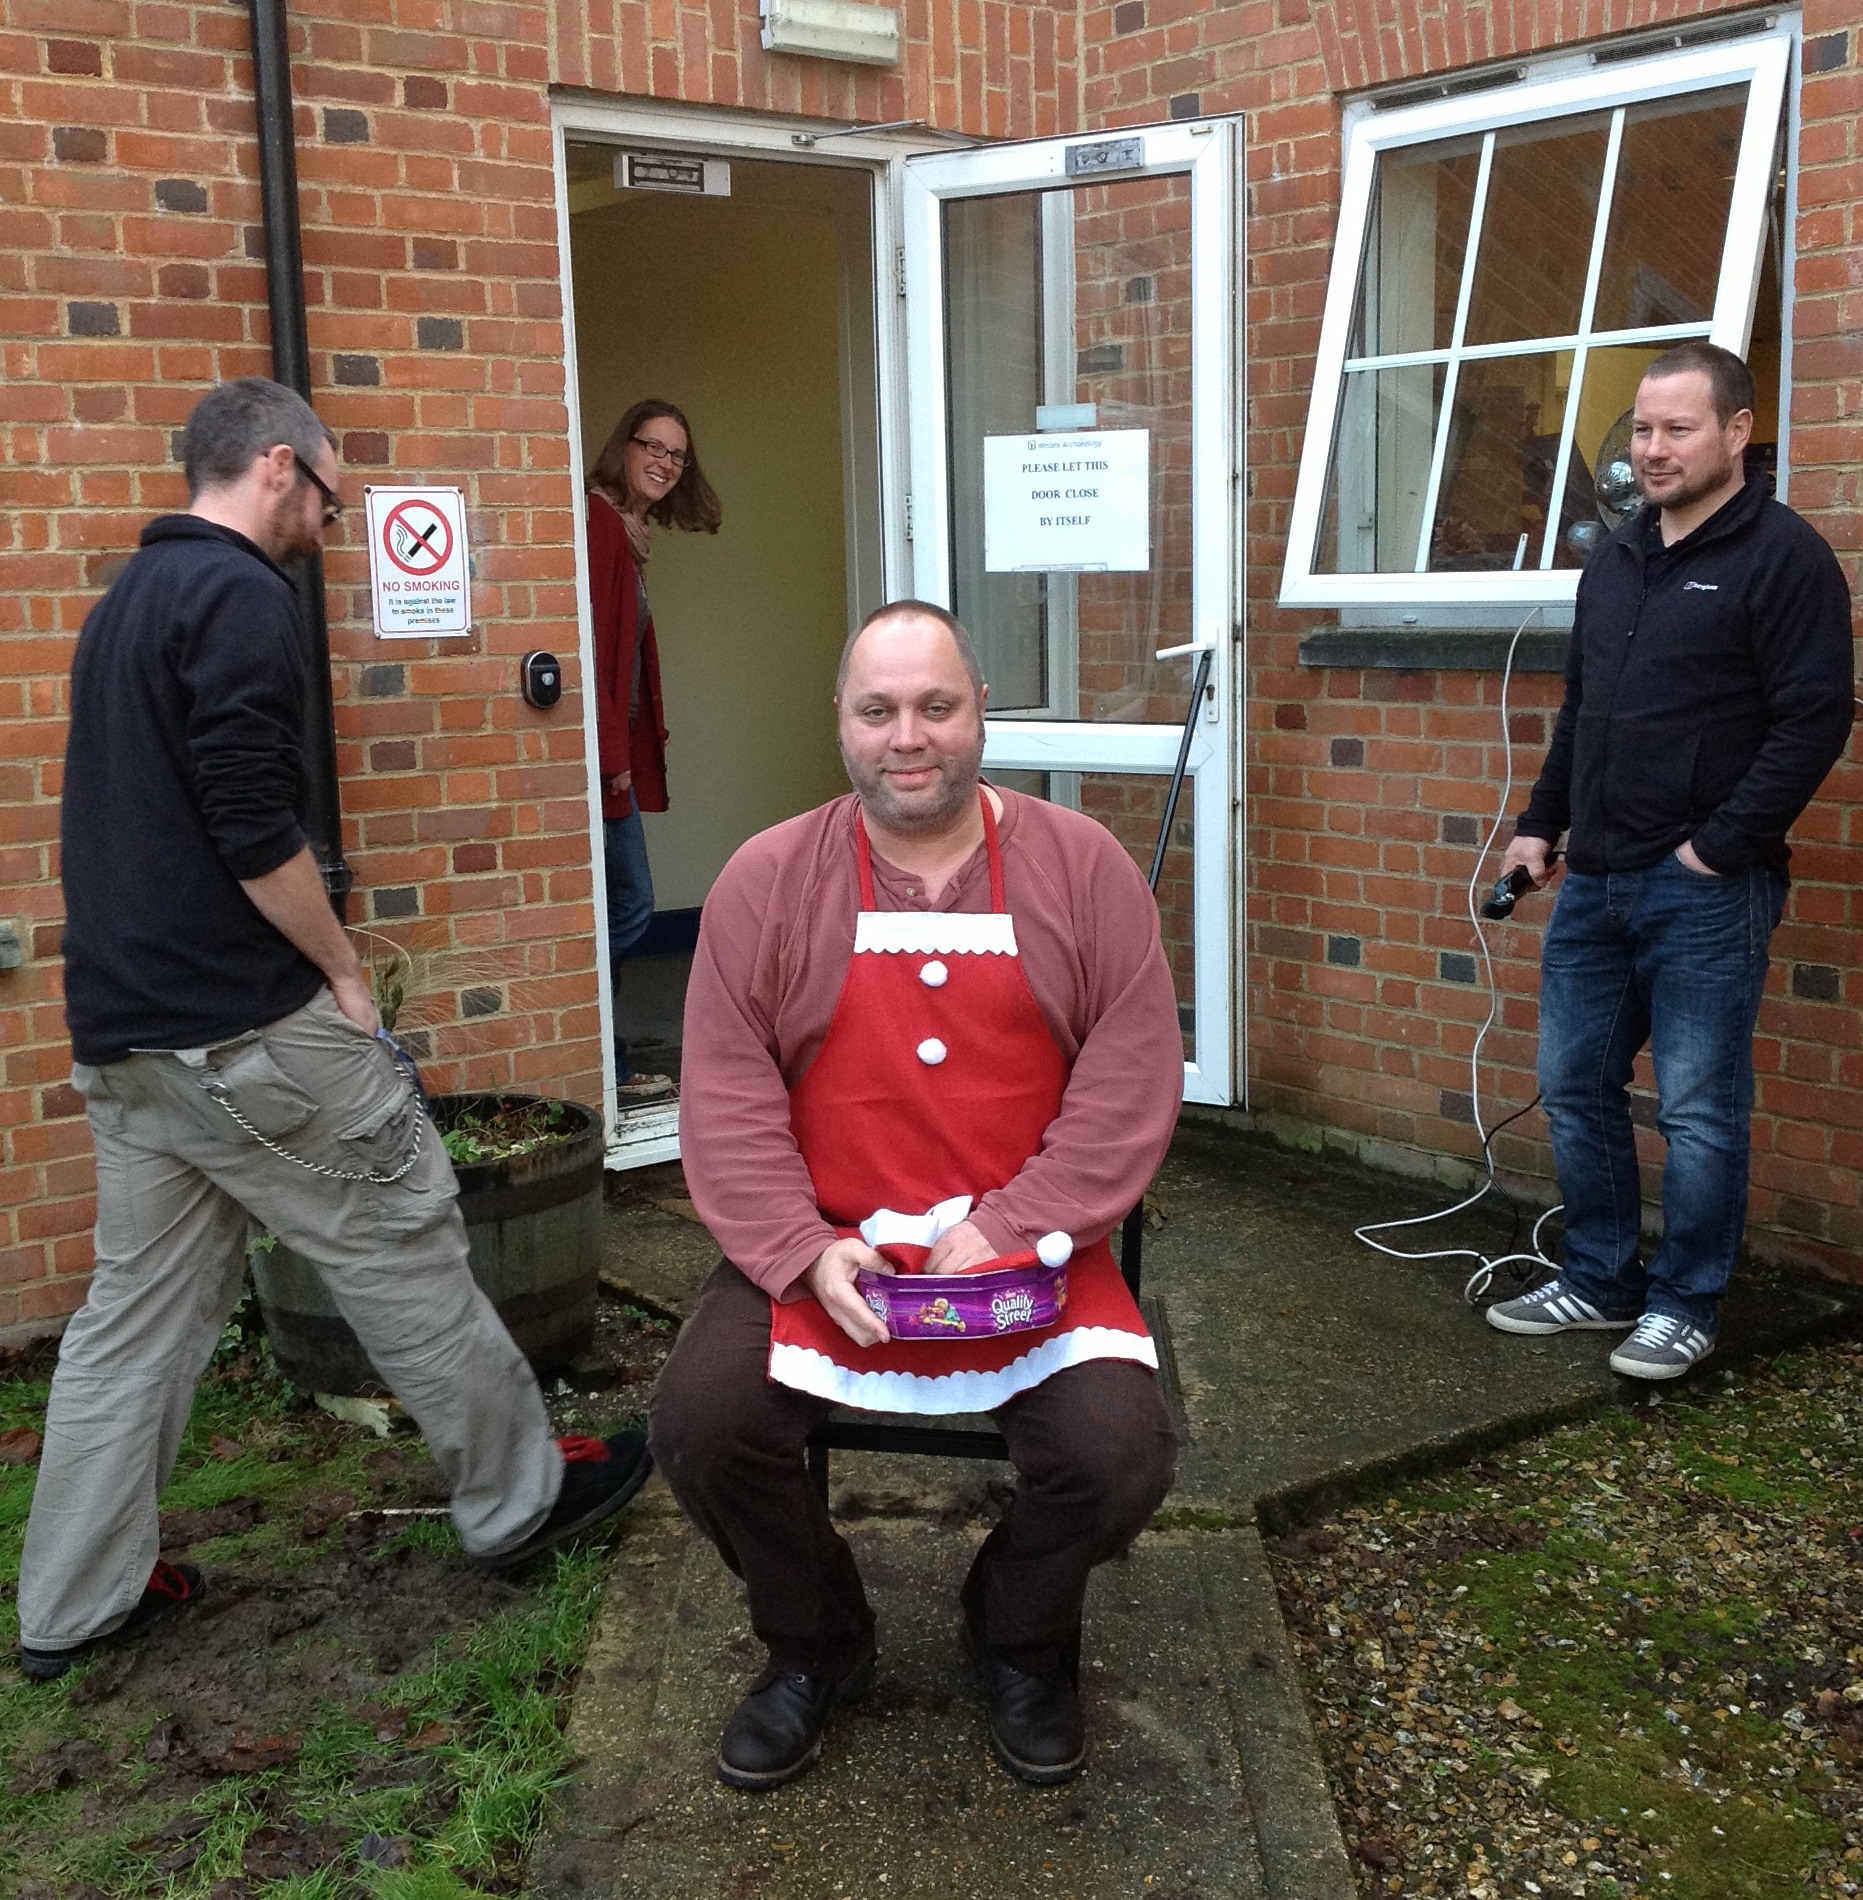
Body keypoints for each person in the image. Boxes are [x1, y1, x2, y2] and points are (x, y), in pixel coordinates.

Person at [17, 377, 651, 1682]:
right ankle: (521, 1497)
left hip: (124, 1038)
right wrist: (345, 974)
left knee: (133, 1319)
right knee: (405, 1234)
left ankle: (73, 1603)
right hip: (243, 1029)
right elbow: (254, 827)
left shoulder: (125, 603)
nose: (331, 521)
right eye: (329, 496)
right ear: (274, 465)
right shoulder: (239, 595)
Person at [650, 601, 1183, 1792]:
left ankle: (1019, 1632)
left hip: (1033, 1252)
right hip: (827, 1248)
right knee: (700, 1422)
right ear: (839, 721)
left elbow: (1130, 1079)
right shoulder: (766, 879)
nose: (909, 735)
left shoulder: (1083, 868)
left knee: (1121, 1450)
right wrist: (801, 1247)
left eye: (936, 705)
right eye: (878, 708)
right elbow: (728, 1096)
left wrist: (1011, 1225)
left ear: (979, 710)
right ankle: (817, 1640)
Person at [1486, 342, 1854, 1381]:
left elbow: (1813, 720)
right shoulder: (1616, 560)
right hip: (1595, 880)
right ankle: (1600, 1279)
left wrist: (1715, 850)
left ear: (1736, 432)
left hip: (1705, 893)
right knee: (1573, 1085)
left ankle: (1686, 1304)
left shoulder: (1784, 558)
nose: (1651, 448)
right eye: (1642, 429)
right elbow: (1583, 713)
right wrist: (1540, 824)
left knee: (1697, 1109)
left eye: (1677, 428)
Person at [583, 398, 721, 1101]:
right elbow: (592, 655)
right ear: (625, 446)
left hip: (617, 753)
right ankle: (594, 1050)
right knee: (631, 903)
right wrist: (612, 760)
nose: (665, 462)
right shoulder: (601, 526)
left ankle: (605, 1059)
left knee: (619, 901)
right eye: (654, 446)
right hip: (604, 760)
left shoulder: (627, 533)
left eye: (678, 454)